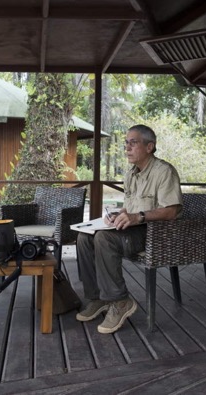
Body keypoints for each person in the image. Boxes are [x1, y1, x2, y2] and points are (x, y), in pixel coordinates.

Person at [76, 124, 183, 334]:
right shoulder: (131, 174)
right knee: (84, 237)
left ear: (149, 146)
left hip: (154, 234)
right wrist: (119, 214)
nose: (127, 147)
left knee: (104, 239)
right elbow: (131, 205)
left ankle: (119, 300)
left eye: (133, 143)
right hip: (133, 228)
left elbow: (171, 211)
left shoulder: (164, 172)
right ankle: (97, 297)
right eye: (126, 143)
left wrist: (138, 217)